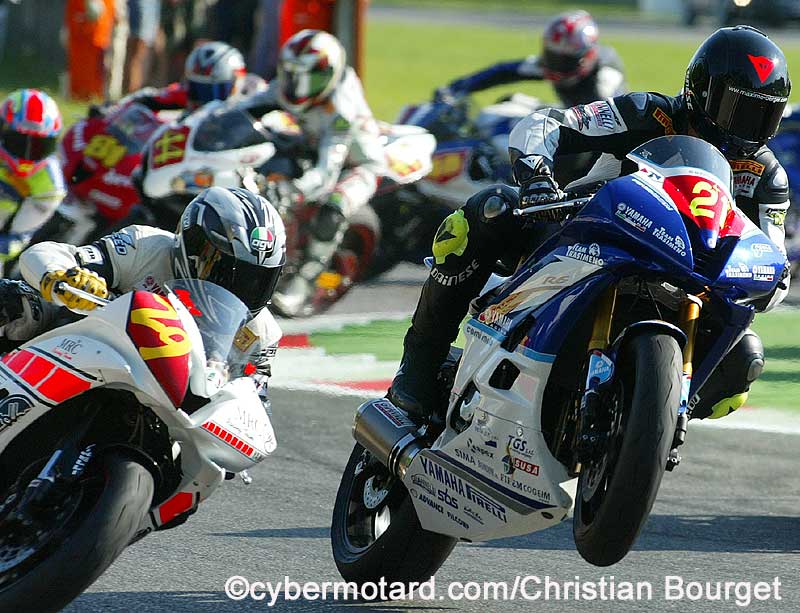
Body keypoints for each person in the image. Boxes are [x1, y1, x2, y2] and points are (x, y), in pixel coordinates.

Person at [390, 25, 791, 423]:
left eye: (763, 115)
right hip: (584, 237)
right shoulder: (646, 113)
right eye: (738, 109)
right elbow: (543, 125)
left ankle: (646, 420)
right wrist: (537, 180)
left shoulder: (765, 176)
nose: (747, 127)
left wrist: (761, 279)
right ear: (700, 92)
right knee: (489, 210)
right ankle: (419, 364)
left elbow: (774, 264)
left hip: (686, 279)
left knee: (743, 358)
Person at [0, 186, 286, 404]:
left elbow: (255, 410)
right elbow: (46, 253)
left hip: (171, 409)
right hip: (88, 352)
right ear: (193, 246)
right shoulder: (145, 246)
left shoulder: (261, 334)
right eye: (224, 270)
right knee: (15, 302)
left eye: (256, 280)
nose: (238, 287)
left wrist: (233, 392)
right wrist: (63, 277)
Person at [254, 29, 384, 316]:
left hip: (358, 165)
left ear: (329, 74)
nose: (296, 87)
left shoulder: (341, 110)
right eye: (291, 76)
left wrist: (294, 190)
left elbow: (326, 172)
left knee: (331, 210)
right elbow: (248, 106)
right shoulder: (287, 87)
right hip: (311, 145)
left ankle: (304, 282)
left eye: (307, 79)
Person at [437, 10, 626, 109]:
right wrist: (454, 88)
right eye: (552, 55)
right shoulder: (550, 66)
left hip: (602, 131)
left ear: (587, 57)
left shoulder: (606, 77)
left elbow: (610, 124)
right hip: (572, 114)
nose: (556, 65)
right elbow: (503, 71)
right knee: (508, 103)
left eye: (564, 59)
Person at [0, 89, 65, 276]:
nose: (27, 154)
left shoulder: (51, 186)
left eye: (38, 145)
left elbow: (16, 239)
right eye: (19, 141)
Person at [119, 40, 252, 115]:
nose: (203, 101)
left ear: (236, 83)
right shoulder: (185, 93)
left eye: (213, 91)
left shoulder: (254, 98)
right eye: (197, 89)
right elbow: (147, 97)